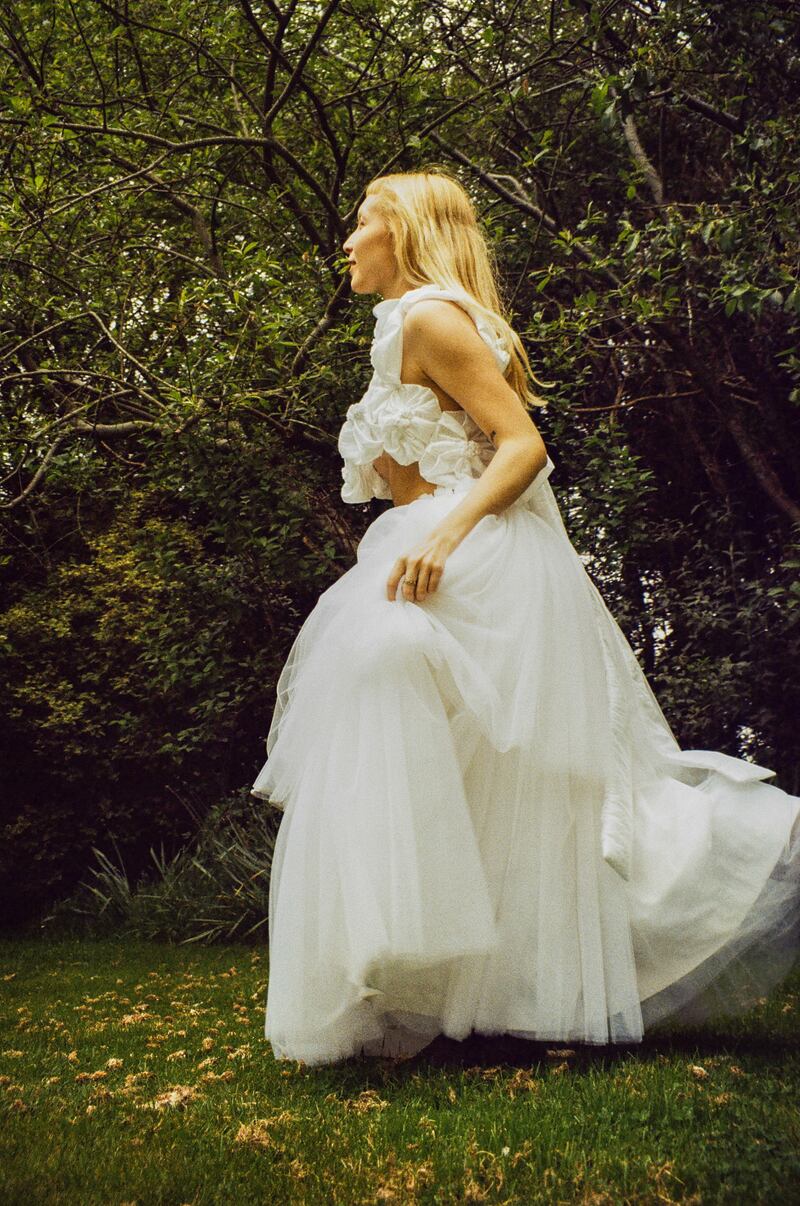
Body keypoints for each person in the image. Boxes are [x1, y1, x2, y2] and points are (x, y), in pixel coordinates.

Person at [251, 168, 800, 1067]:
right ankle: (432, 979)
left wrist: (446, 535)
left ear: (407, 231)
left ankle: (414, 962)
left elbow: (523, 446)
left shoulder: (432, 317)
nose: (346, 242)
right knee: (478, 781)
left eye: (362, 223)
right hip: (423, 546)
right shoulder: (405, 326)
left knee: (494, 761)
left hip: (461, 553)